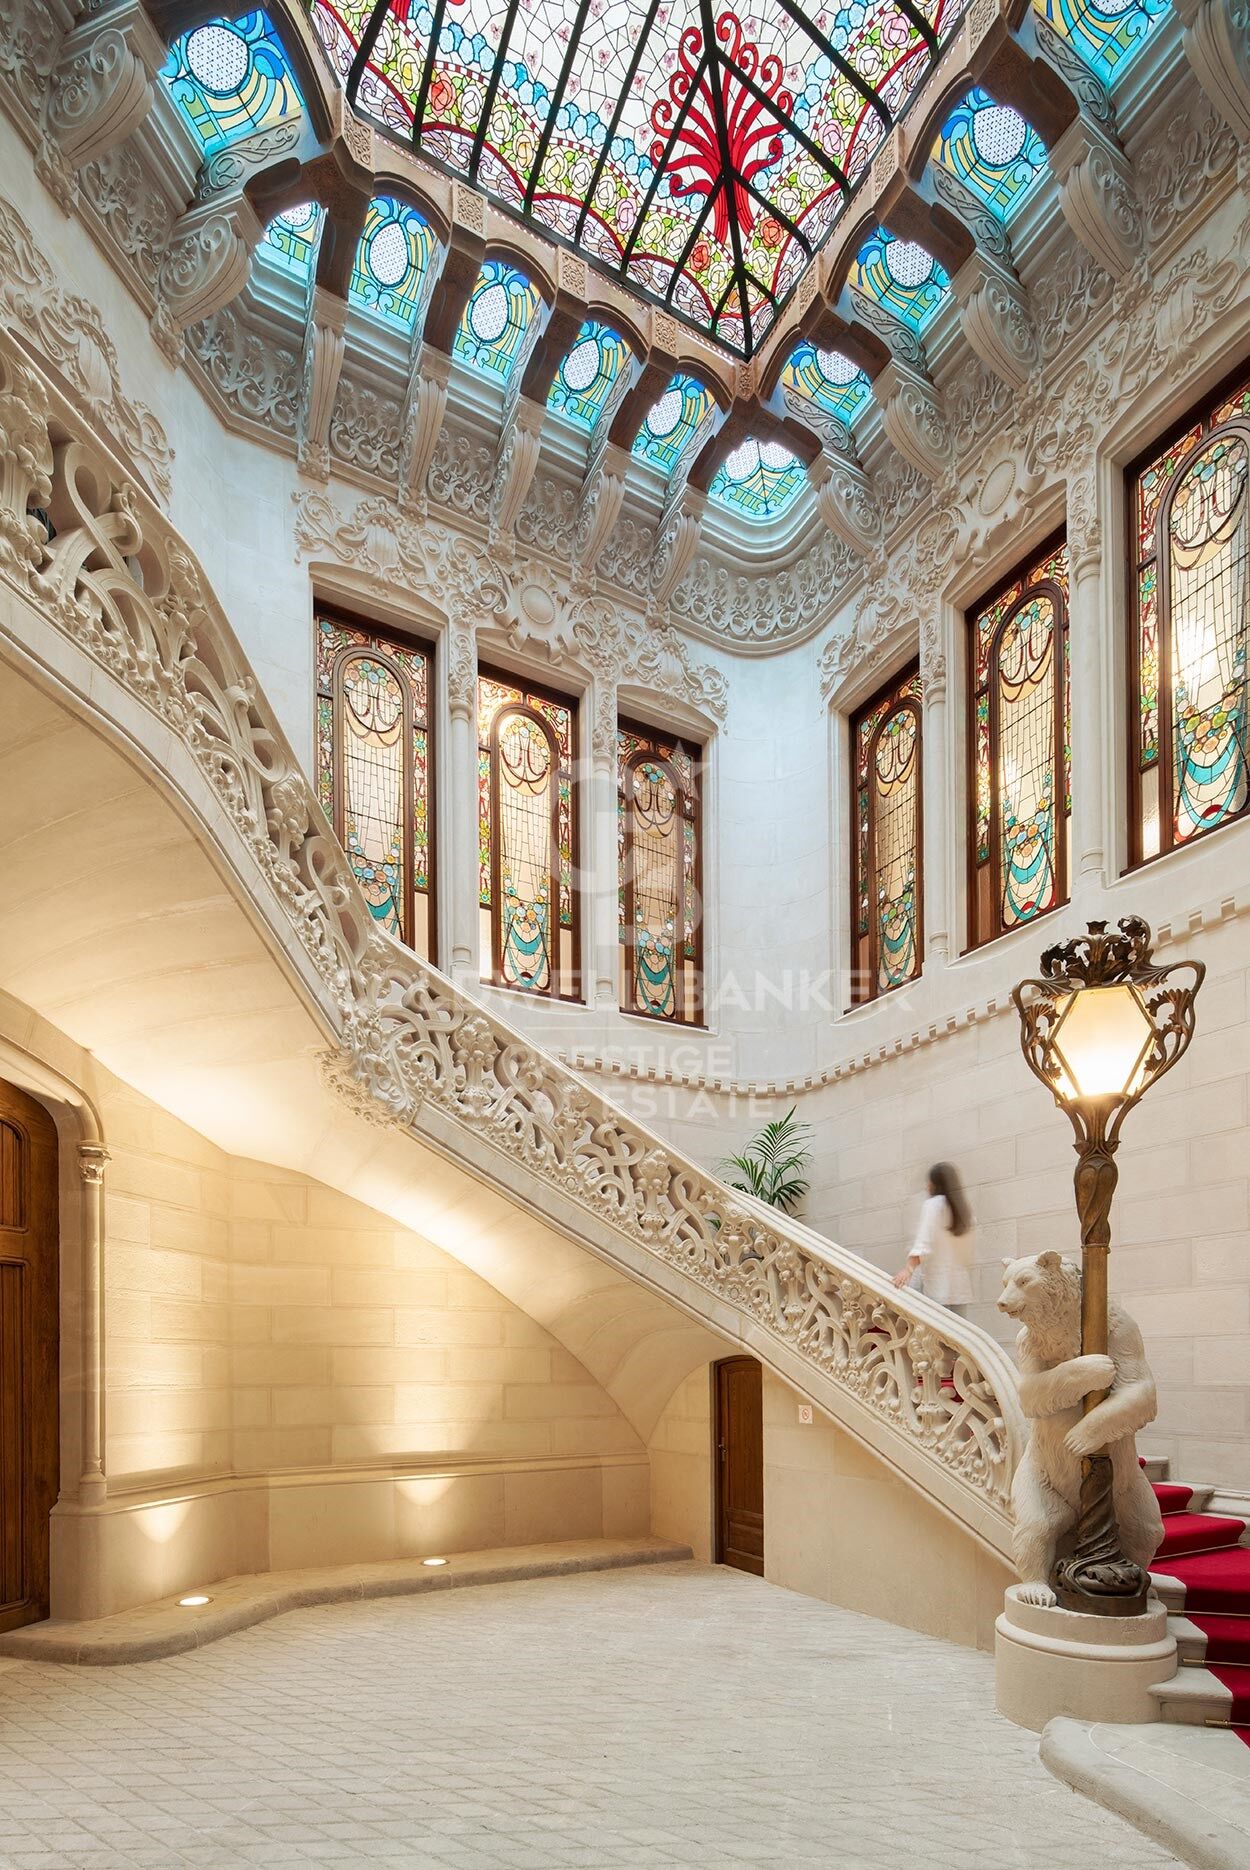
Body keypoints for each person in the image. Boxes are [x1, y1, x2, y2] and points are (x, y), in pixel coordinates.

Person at [892, 1163, 976, 1313]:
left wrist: (907, 1269)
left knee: (936, 1335)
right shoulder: (964, 1210)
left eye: (929, 1181)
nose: (927, 1186)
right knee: (957, 1334)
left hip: (938, 1288)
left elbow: (924, 1243)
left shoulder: (933, 1205)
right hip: (959, 1289)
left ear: (936, 1183)